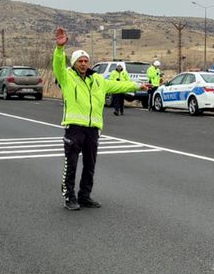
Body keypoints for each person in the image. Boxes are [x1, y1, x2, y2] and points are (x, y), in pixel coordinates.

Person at [53, 27, 148, 211]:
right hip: (74, 128)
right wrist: (59, 48)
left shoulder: (98, 80)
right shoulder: (66, 78)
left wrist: (139, 85)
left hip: (93, 129)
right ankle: (69, 197)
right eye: (79, 61)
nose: (83, 63)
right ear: (73, 63)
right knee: (71, 165)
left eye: (85, 61)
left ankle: (85, 196)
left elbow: (118, 85)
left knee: (90, 165)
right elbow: (57, 65)